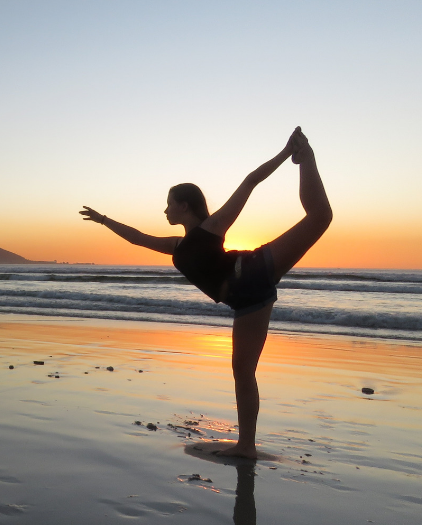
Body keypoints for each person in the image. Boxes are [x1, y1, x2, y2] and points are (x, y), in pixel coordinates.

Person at [80, 127, 331, 459]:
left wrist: (287, 154)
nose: (165, 211)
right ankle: (247, 446)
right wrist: (103, 220)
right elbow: (137, 238)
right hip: (245, 299)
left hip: (252, 272)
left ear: (184, 206)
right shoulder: (177, 245)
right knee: (242, 370)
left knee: (320, 217)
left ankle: (305, 155)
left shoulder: (211, 227)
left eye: (168, 205)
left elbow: (249, 182)